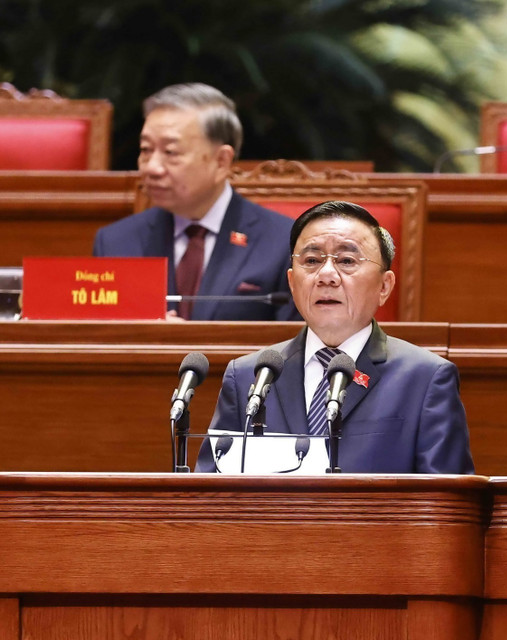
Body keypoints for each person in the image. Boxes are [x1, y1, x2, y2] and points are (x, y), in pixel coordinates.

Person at [196, 200, 474, 473]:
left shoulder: (425, 379)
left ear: (384, 286)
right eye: (312, 260)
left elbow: (446, 507)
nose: (326, 275)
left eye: (347, 260)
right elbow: (210, 498)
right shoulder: (248, 376)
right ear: (292, 283)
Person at [92, 82, 299, 321]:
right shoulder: (116, 242)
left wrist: (186, 343)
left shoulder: (282, 242)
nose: (152, 167)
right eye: (146, 150)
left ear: (221, 161)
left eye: (171, 152)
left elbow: (293, 349)